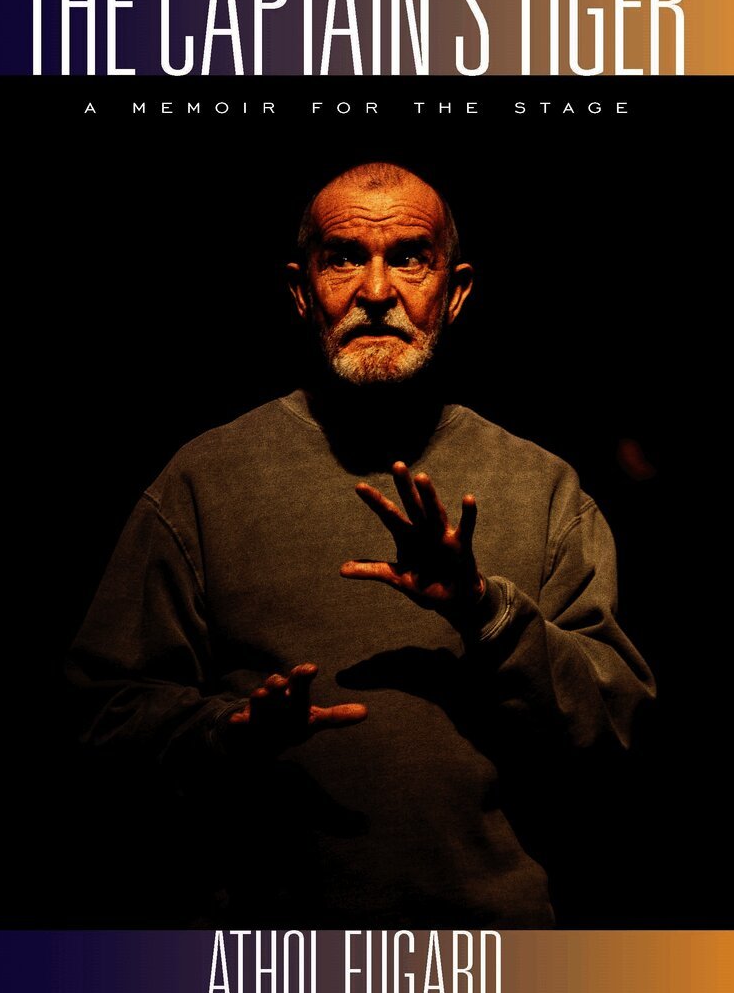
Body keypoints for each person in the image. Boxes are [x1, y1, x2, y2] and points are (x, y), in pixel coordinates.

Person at [68, 161, 655, 941]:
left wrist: (486, 614)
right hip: (269, 967)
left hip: (488, 967)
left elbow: (615, 729)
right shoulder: (203, 481)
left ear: (455, 291)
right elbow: (99, 718)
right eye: (343, 257)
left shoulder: (543, 487)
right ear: (300, 290)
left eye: (409, 257)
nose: (375, 290)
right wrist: (229, 731)